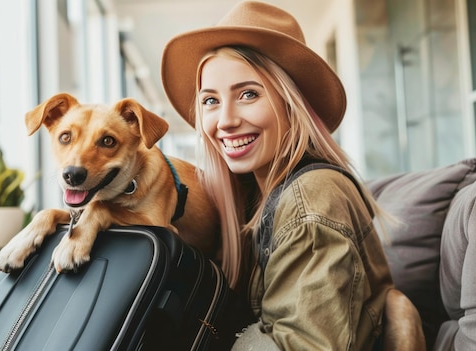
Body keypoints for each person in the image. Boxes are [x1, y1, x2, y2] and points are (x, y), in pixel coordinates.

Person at [161, 1, 395, 350]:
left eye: (248, 94)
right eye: (210, 100)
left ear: (290, 103)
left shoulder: (310, 197)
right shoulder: (253, 196)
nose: (225, 120)